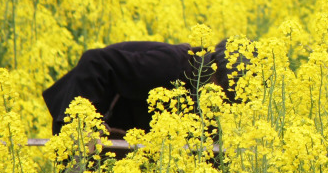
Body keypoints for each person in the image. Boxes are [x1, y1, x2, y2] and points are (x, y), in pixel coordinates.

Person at [44, 39, 250, 137]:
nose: (220, 102)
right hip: (84, 120)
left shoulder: (217, 111)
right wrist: (80, 129)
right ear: (212, 72)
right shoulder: (171, 66)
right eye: (220, 90)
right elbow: (94, 62)